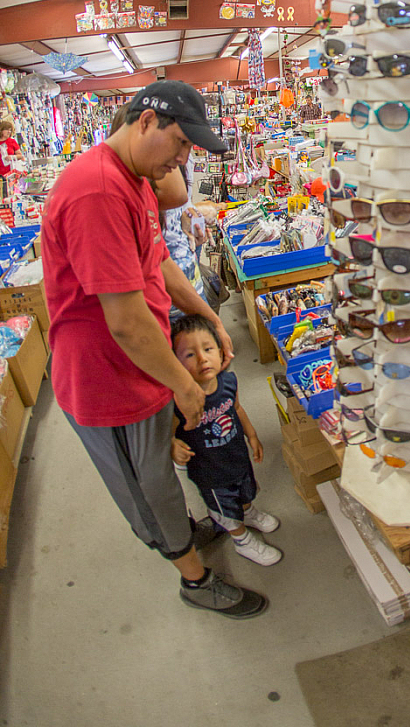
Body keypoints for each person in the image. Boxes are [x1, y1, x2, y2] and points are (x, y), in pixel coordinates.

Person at [41, 80, 267, 619]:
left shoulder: (134, 179)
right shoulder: (97, 192)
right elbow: (125, 323)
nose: (183, 159)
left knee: (163, 476)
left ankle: (181, 536)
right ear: (145, 121)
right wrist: (185, 385)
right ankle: (195, 581)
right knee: (149, 489)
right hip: (108, 381)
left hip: (144, 366)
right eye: (181, 143)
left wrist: (208, 318)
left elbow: (158, 263)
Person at [171, 315, 282, 567]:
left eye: (208, 349)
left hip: (237, 456)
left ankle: (248, 512)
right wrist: (172, 445)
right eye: (189, 354)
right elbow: (168, 430)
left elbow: (237, 408)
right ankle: (242, 540)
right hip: (210, 473)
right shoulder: (181, 400)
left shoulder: (229, 382)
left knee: (245, 490)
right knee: (225, 509)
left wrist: (252, 436)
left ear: (221, 351)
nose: (202, 359)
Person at [0, 119, 22, 197]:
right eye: (7, 130)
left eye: (10, 130)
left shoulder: (12, 141)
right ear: (1, 130)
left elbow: (20, 156)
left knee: (10, 195)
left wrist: (12, 157)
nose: (9, 132)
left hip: (10, 174)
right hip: (0, 174)